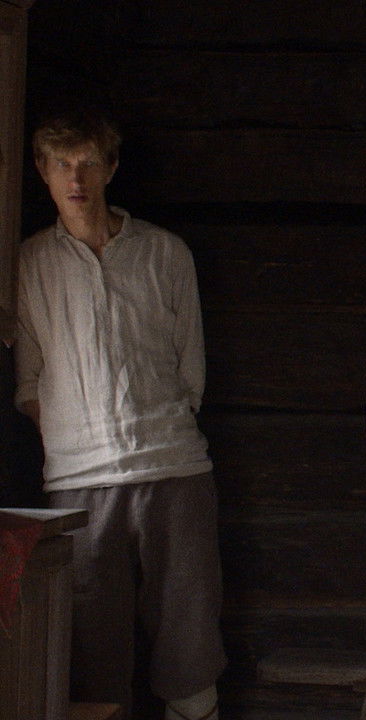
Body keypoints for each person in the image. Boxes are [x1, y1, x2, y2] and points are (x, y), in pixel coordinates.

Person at [15, 111, 224, 720]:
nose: (75, 178)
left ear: (110, 168)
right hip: (79, 482)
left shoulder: (164, 252)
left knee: (189, 630)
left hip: (174, 469)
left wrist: (153, 428)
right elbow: (30, 383)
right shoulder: (30, 263)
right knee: (89, 645)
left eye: (87, 163)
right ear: (42, 171)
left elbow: (190, 370)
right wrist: (82, 441)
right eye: (62, 164)